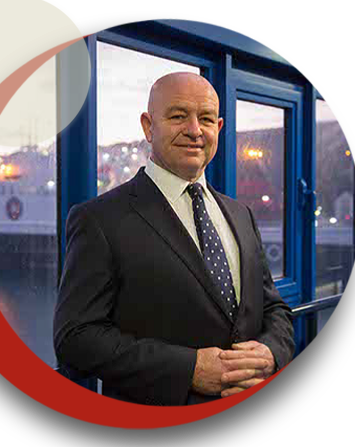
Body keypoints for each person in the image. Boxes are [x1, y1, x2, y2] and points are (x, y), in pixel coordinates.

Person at [53, 72, 295, 406]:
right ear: (148, 126)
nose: (195, 130)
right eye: (178, 116)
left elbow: (274, 308)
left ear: (219, 129)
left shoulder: (240, 214)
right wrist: (188, 369)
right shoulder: (99, 219)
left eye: (206, 119)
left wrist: (271, 353)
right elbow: (75, 337)